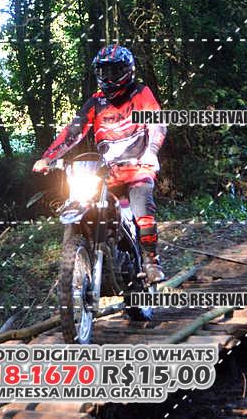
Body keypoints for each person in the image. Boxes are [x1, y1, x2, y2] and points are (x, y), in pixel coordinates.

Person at [32, 45, 167, 283]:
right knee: (82, 202)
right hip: (107, 173)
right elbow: (73, 131)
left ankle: (150, 261)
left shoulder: (140, 93)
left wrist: (151, 152)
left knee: (142, 209)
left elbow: (157, 123)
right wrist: (49, 157)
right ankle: (83, 262)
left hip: (138, 168)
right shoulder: (96, 101)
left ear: (127, 70)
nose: (110, 77)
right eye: (105, 72)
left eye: (115, 71)